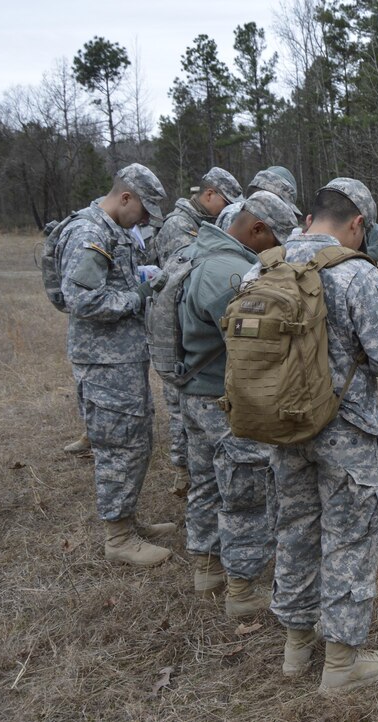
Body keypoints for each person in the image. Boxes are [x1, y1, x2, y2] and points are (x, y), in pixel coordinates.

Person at [260, 178, 378, 695]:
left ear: (309, 218)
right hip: (344, 432)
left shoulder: (261, 267)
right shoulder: (354, 275)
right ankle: (342, 665)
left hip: (280, 427)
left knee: (295, 529)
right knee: (349, 538)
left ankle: (296, 648)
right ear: (357, 225)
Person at [177, 192, 297, 615]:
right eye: (277, 239)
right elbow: (253, 342)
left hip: (195, 392)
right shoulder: (228, 271)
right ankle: (242, 591)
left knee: (206, 483)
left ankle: (207, 569)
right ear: (257, 229)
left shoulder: (196, 253)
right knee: (244, 492)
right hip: (223, 399)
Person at [57, 164, 176, 567]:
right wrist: (139, 295)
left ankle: (128, 519)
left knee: (136, 440)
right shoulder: (91, 234)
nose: (145, 221)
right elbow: (84, 301)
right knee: (118, 447)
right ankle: (118, 537)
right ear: (125, 197)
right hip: (105, 362)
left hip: (121, 357)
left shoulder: (113, 230)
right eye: (143, 212)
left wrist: (138, 280)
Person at [152, 167, 244, 490]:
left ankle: (193, 477)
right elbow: (184, 284)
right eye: (228, 201)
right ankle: (185, 473)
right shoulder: (179, 226)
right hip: (187, 342)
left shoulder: (199, 224)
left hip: (191, 341)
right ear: (209, 195)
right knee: (185, 415)